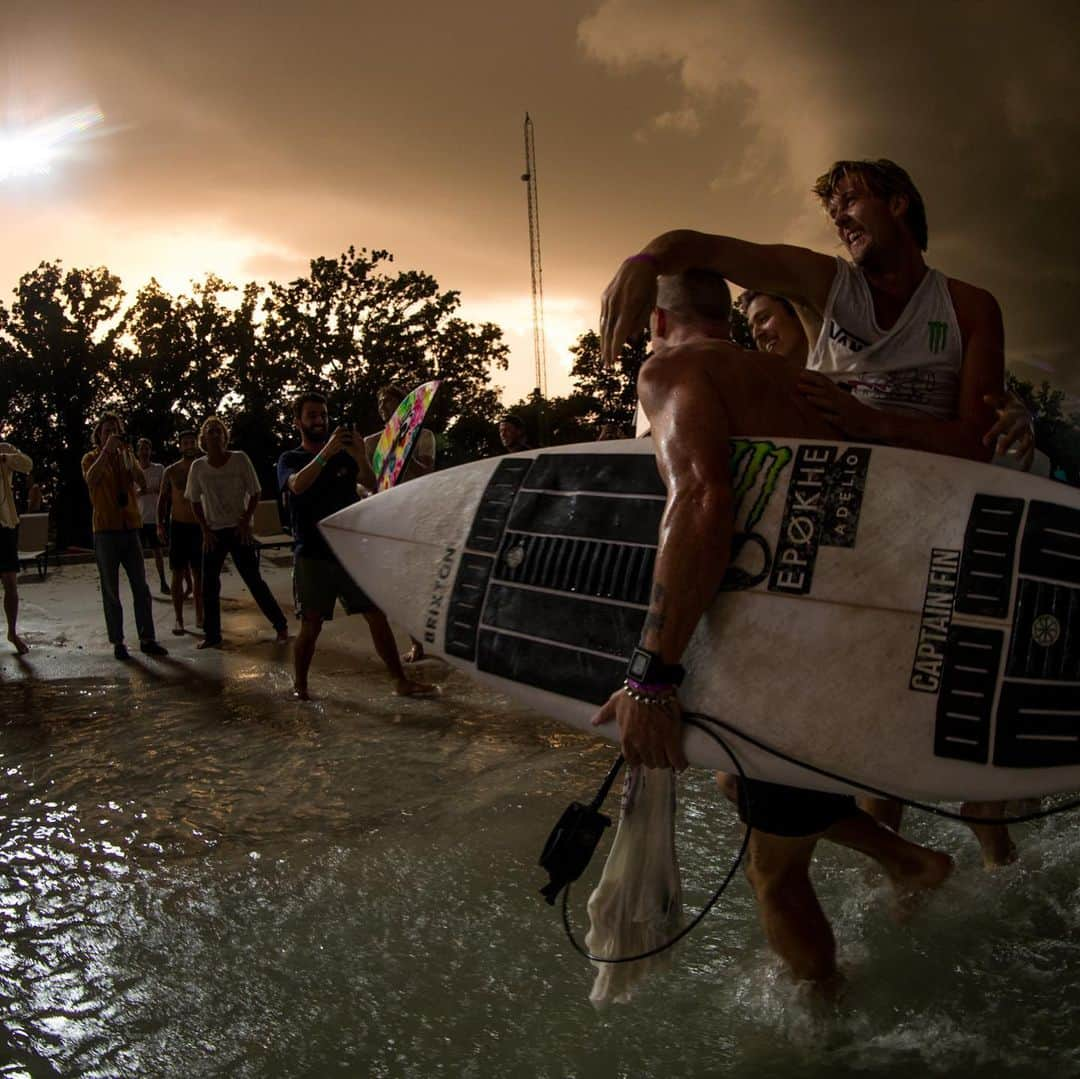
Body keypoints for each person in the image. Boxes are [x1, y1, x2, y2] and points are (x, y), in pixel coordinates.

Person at [591, 268, 953, 989]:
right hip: (842, 639)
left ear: (658, 323)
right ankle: (907, 860)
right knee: (737, 783)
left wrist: (652, 676)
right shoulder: (799, 382)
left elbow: (699, 499)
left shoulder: (672, 368)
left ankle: (827, 1026)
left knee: (773, 873)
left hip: (782, 659)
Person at [735, 287, 1031, 867]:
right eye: (751, 326)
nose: (760, 333)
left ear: (802, 317)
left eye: (766, 317)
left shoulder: (852, 366)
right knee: (879, 740)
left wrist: (1015, 407)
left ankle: (985, 869)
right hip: (857, 581)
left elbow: (956, 397)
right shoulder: (768, 388)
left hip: (933, 554)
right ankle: (905, 872)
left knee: (953, 750)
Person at [278, 391, 434, 700]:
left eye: (323, 414)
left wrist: (360, 456)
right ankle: (301, 685)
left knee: (376, 615)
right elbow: (296, 485)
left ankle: (400, 681)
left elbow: (372, 484)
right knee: (312, 624)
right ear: (298, 422)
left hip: (349, 551)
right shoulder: (290, 459)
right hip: (312, 553)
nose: (320, 420)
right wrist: (325, 454)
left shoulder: (344, 456)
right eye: (312, 415)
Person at [185, 417, 288, 650]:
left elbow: (255, 492)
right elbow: (193, 500)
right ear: (203, 439)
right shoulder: (198, 467)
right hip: (213, 530)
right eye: (210, 431)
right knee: (209, 584)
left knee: (253, 580)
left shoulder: (240, 459)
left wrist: (245, 522)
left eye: (219, 431)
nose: (215, 434)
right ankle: (213, 635)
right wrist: (204, 529)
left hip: (237, 528)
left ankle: (280, 625)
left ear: (225, 436)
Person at [82, 413, 167, 660]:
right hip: (105, 530)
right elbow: (91, 479)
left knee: (140, 586)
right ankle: (118, 641)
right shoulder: (90, 458)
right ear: (98, 435)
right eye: (107, 431)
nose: (111, 435)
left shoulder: (126, 457)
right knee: (111, 589)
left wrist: (130, 460)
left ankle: (147, 637)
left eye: (115, 431)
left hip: (130, 528)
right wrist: (106, 452)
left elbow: (141, 481)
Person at [364, 382, 436, 662]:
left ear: (404, 405)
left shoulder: (424, 435)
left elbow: (427, 472)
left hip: (419, 514)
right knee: (399, 583)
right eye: (380, 403)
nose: (383, 407)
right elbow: (366, 483)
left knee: (424, 581)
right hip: (387, 518)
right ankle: (417, 642)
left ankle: (433, 635)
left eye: (389, 401)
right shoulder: (372, 443)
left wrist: (403, 449)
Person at [157, 429, 204, 635]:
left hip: (200, 526)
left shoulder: (204, 467)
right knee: (177, 573)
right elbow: (163, 500)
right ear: (180, 446)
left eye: (192, 442)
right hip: (178, 525)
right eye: (185, 442)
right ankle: (178, 618)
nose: (189, 446)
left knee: (199, 574)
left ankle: (200, 615)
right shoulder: (172, 471)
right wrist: (160, 525)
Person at [0, 440, 33, 654]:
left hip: (4, 525)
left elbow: (27, 464)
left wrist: (4, 458)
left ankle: (12, 631)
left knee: (10, 581)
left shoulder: (5, 449)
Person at [136, 437, 170, 595]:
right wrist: (140, 492)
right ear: (138, 451)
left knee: (158, 552)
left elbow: (165, 490)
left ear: (150, 451)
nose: (144, 452)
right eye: (142, 449)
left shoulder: (159, 469)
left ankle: (163, 582)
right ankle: (141, 585)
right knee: (138, 555)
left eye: (147, 449)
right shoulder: (134, 471)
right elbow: (129, 494)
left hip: (155, 518)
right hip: (139, 519)